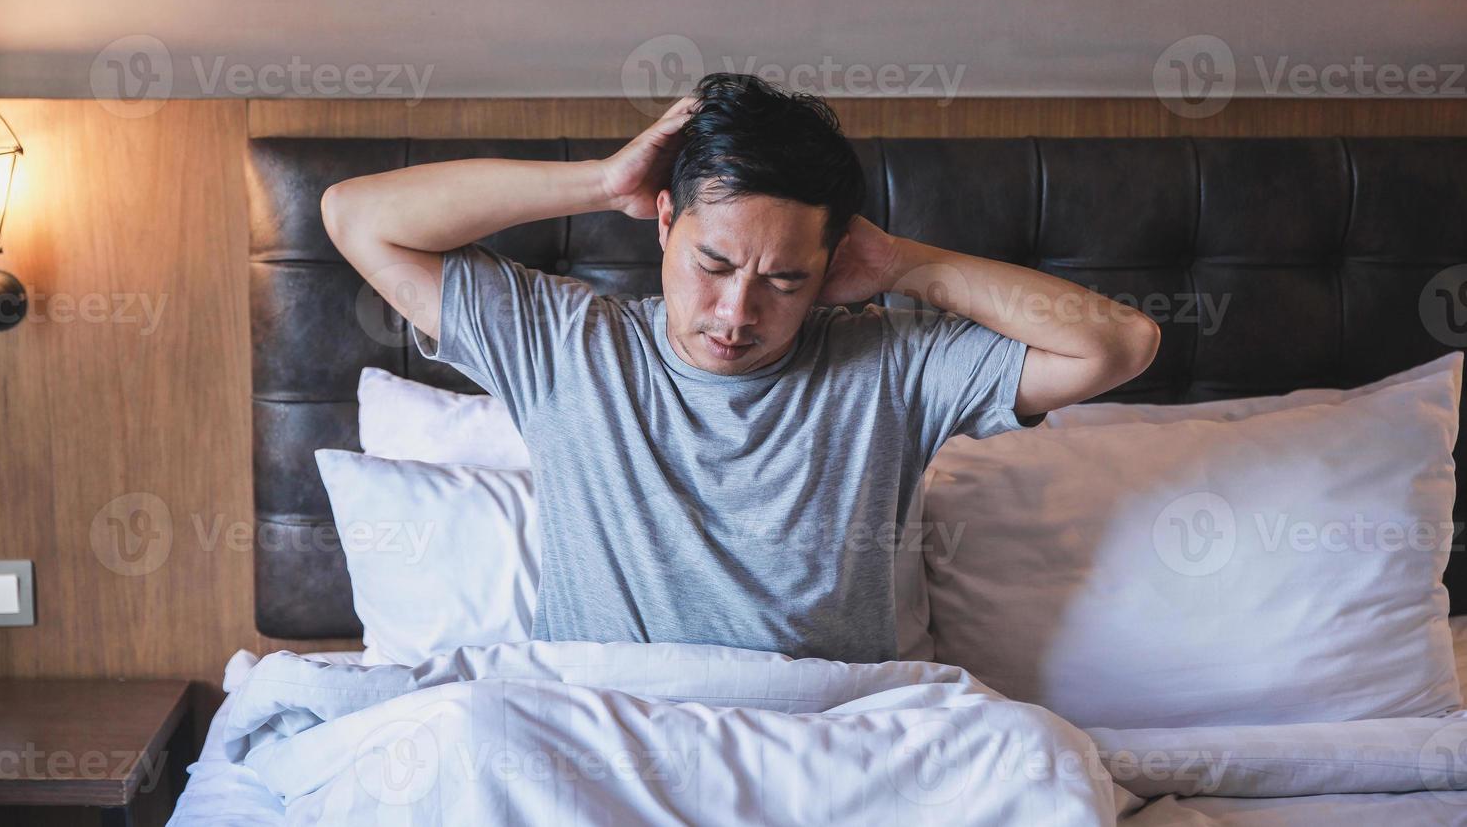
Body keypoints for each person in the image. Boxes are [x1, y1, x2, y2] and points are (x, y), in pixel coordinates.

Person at [321, 72, 1160, 663]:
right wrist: (600, 179)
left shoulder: (890, 363)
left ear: (833, 266)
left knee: (1039, 772)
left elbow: (1118, 346)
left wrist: (906, 263)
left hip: (826, 738)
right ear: (663, 222)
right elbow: (355, 216)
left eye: (786, 279)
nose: (735, 315)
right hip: (606, 726)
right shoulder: (567, 343)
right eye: (713, 265)